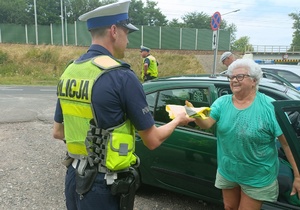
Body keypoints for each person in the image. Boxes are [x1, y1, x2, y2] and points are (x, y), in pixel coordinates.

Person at [52, 1, 194, 210]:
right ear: (113, 31)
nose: (128, 41)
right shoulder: (121, 76)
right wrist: (179, 120)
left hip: (74, 175)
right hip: (103, 184)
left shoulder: (71, 70)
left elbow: (58, 131)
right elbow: (152, 140)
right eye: (127, 33)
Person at [187, 58, 300, 210]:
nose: (233, 80)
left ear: (254, 80)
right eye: (231, 77)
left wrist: (298, 176)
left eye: (239, 76)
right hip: (228, 170)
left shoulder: (270, 108)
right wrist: (195, 115)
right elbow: (207, 124)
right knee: (229, 207)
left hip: (257, 175)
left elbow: (287, 144)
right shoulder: (222, 103)